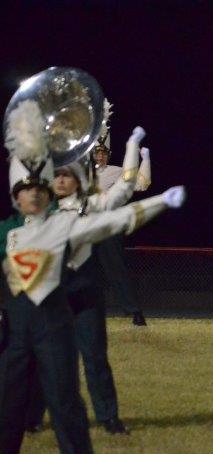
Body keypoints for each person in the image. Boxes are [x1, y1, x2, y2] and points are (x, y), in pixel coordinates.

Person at [0, 99, 185, 454]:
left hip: (64, 311)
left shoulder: (72, 218)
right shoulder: (13, 229)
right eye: (25, 189)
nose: (35, 194)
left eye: (41, 187)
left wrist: (158, 197)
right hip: (20, 328)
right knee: (9, 406)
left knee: (73, 393)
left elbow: (119, 214)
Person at [24, 126, 147, 436]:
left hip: (85, 292)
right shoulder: (42, 209)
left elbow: (127, 186)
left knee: (94, 356)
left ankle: (109, 418)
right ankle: (32, 417)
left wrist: (133, 147)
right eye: (57, 175)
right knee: (47, 358)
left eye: (67, 175)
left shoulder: (90, 204)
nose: (61, 180)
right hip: (53, 294)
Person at [92, 100, 152, 326]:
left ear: (108, 155)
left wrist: (145, 159)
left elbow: (142, 184)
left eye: (103, 153)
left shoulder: (117, 171)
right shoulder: (81, 173)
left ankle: (134, 311)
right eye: (97, 153)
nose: (100, 157)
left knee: (116, 269)